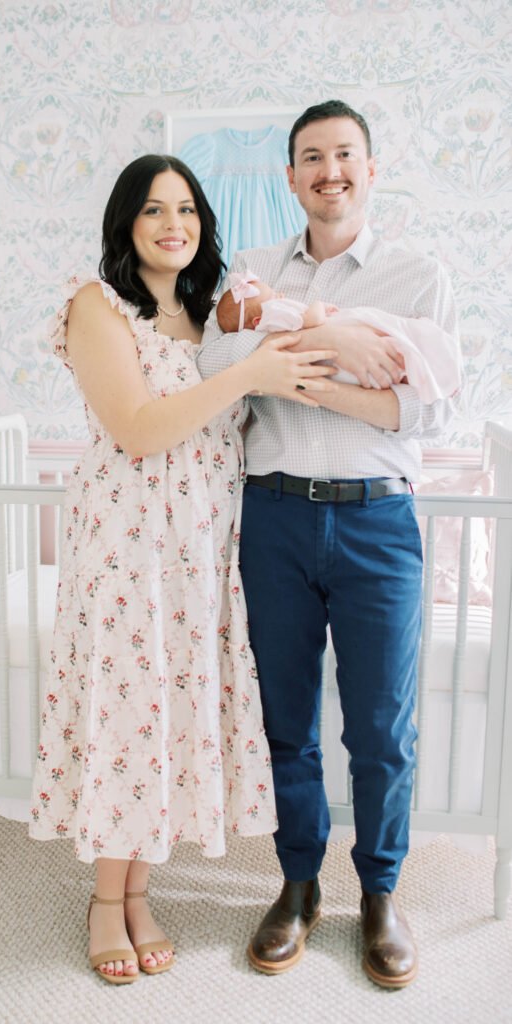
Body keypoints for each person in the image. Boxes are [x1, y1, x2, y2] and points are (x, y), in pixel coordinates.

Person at [28, 154, 339, 985]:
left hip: (200, 553)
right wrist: (245, 373)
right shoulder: (98, 306)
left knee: (163, 716)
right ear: (126, 224)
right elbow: (136, 426)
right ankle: (104, 900)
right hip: (126, 546)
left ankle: (138, 892)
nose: (175, 225)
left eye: (188, 210)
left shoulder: (212, 315)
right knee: (127, 707)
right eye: (155, 210)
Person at [197, 100, 462, 989]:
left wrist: (300, 351)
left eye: (344, 154)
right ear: (289, 176)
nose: (328, 171)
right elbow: (213, 370)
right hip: (271, 519)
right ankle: (299, 884)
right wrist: (338, 337)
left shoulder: (415, 275)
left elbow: (422, 407)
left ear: (370, 167)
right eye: (311, 157)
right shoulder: (251, 271)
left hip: (377, 521)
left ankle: (380, 895)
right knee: (288, 724)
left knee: (383, 730)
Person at [216, 271, 462, 403]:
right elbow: (310, 321)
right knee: (381, 334)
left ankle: (417, 364)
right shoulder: (273, 315)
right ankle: (421, 361)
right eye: (274, 296)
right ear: (258, 322)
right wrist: (320, 311)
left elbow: (434, 418)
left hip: (384, 490)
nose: (280, 296)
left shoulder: (425, 274)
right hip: (332, 329)